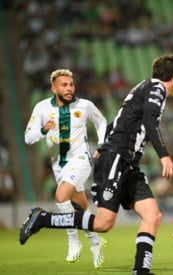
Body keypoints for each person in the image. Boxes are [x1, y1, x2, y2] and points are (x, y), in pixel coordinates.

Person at [20, 54, 173, 275]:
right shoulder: (157, 89)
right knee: (103, 224)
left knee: (152, 215)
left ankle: (141, 271)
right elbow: (148, 120)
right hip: (117, 158)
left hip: (127, 162)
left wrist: (103, 144)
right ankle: (42, 218)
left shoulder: (145, 87)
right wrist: (164, 155)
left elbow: (118, 120)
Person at [23, 69, 107, 268]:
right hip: (58, 165)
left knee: (61, 197)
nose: (69, 88)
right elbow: (28, 137)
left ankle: (73, 241)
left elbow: (101, 122)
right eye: (64, 85)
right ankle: (95, 241)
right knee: (81, 206)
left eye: (71, 84)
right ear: (54, 88)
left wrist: (103, 145)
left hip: (81, 159)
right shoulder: (42, 108)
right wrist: (44, 129)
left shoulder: (85, 105)